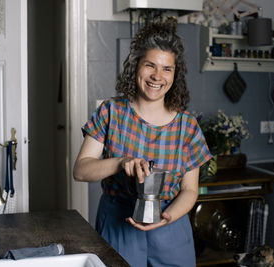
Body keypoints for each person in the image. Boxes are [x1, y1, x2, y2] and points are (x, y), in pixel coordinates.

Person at [73, 18, 212, 267]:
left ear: (175, 75)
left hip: (171, 229)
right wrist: (121, 162)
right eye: (150, 65)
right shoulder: (110, 112)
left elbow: (190, 190)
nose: (157, 76)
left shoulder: (188, 126)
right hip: (118, 224)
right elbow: (81, 170)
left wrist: (167, 217)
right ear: (136, 66)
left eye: (167, 69)